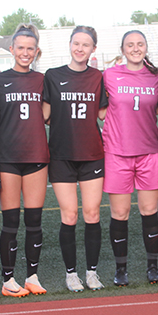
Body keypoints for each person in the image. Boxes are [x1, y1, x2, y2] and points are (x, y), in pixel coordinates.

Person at [42, 26, 109, 292]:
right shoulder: (53, 75)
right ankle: (71, 273)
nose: (80, 48)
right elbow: (44, 115)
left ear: (93, 49)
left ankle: (91, 272)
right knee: (69, 215)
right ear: (70, 44)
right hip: (61, 155)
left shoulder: (98, 77)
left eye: (86, 44)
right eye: (76, 43)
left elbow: (104, 114)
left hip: (92, 153)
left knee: (92, 214)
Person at [101, 30, 158, 286]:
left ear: (146, 47)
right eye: (130, 45)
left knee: (149, 210)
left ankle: (152, 267)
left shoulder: (157, 76)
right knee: (120, 213)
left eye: (140, 44)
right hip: (117, 151)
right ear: (123, 49)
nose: (135, 48)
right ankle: (121, 270)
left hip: (149, 150)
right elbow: (101, 109)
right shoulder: (110, 75)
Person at [0, 24, 50, 297]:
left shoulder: (42, 80)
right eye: (20, 48)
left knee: (34, 221)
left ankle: (33, 276)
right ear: (11, 49)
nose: (25, 53)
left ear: (36, 52)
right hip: (8, 158)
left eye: (30, 49)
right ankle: (8, 279)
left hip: (37, 156)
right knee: (11, 222)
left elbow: (48, 115)